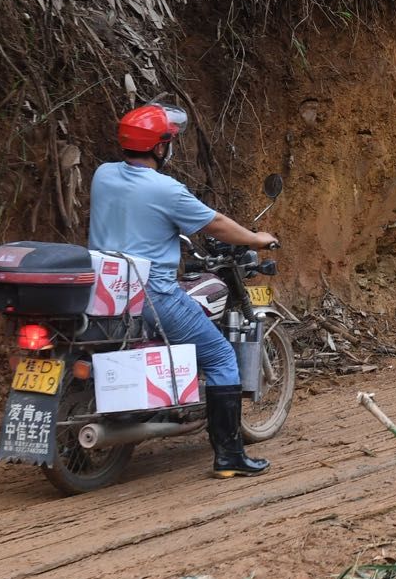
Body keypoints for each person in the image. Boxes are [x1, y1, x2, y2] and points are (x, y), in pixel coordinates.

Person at [90, 103, 278, 477]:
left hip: (104, 291)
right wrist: (256, 239)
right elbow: (217, 224)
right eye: (168, 142)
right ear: (160, 148)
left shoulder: (102, 175)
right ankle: (229, 458)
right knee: (222, 359)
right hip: (153, 295)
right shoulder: (166, 189)